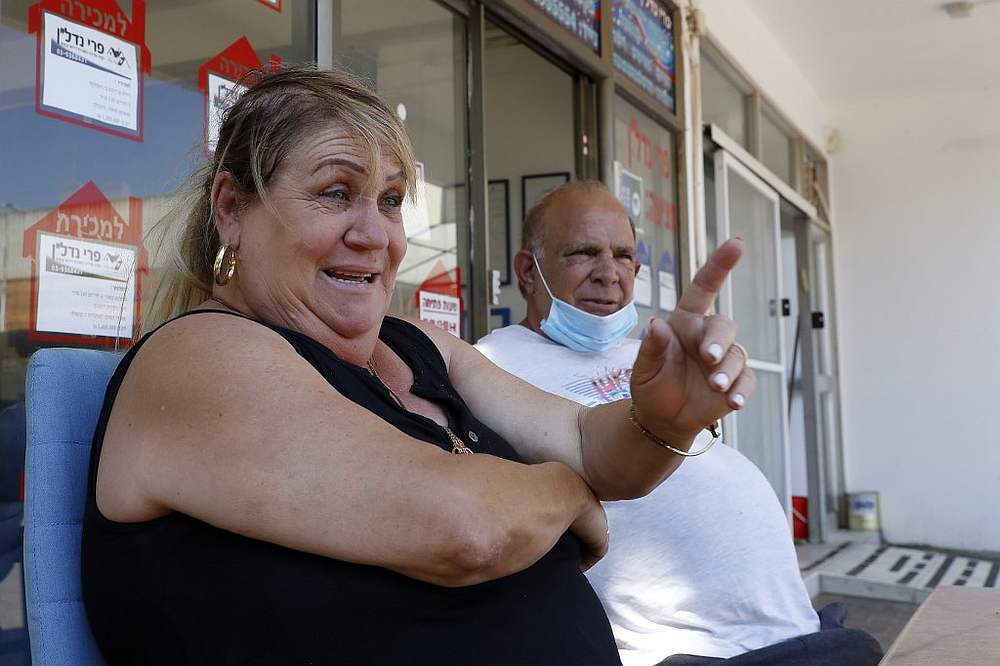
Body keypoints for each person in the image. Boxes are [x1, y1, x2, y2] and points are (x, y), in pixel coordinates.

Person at [80, 66, 754, 666]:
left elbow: (589, 446)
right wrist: (570, 493)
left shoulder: (417, 344)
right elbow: (464, 527)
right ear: (232, 209)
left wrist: (662, 421)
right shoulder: (196, 355)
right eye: (337, 192)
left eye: (392, 200)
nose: (374, 235)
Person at [475, 181, 882, 665]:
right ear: (528, 271)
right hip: (680, 651)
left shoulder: (654, 352)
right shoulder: (491, 366)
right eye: (584, 253)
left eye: (624, 256)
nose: (610, 274)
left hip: (796, 629)